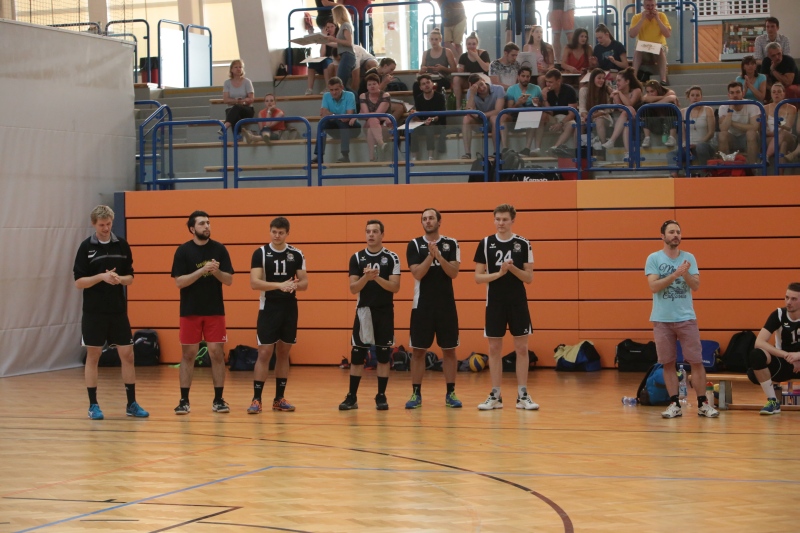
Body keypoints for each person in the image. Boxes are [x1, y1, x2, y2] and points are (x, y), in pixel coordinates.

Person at [74, 205, 148, 420]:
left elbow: (130, 277)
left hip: (117, 311)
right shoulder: (85, 247)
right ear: (93, 224)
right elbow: (79, 282)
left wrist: (118, 279)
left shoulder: (122, 245)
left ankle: (131, 403)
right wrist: (101, 277)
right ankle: (93, 405)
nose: (106, 228)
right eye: (101, 225)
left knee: (128, 355)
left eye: (108, 224)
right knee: (93, 356)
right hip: (93, 312)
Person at [645, 220, 718, 419]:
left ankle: (703, 404)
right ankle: (674, 404)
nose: (676, 235)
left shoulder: (689, 257)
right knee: (668, 363)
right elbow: (653, 286)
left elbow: (696, 286)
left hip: (686, 318)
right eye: (671, 232)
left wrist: (685, 274)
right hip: (662, 319)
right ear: (662, 236)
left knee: (696, 361)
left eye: (678, 232)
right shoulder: (654, 258)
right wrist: (675, 274)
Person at [473, 204, 537, 411]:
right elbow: (478, 277)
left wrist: (512, 269)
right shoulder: (485, 243)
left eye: (505, 219)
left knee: (522, 348)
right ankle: (495, 395)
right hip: (495, 302)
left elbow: (529, 278)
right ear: (494, 220)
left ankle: (523, 395)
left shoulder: (523, 243)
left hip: (518, 302)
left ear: (512, 221)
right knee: (494, 348)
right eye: (498, 219)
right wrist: (499, 273)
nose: (501, 223)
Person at [171, 211, 234, 415]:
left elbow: (228, 280)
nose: (207, 226)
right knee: (188, 354)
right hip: (190, 310)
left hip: (214, 310)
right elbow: (179, 282)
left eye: (208, 222)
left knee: (216, 353)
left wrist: (215, 271)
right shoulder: (183, 251)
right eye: (201, 223)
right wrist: (202, 270)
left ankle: (218, 399)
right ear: (192, 228)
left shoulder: (219, 249)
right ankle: (184, 400)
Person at [247, 217, 308, 414]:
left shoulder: (296, 254)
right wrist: (279, 285)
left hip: (289, 308)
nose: (277, 235)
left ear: (287, 233)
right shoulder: (260, 253)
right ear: (270, 231)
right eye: (274, 232)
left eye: (281, 233)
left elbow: (304, 283)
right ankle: (256, 399)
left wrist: (293, 285)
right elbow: (255, 282)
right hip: (269, 307)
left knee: (283, 353)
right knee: (264, 353)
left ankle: (279, 399)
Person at [340, 220, 401, 411]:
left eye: (375, 231)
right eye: (368, 231)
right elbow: (353, 288)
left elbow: (395, 287)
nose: (371, 234)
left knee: (383, 355)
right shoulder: (357, 258)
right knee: (357, 355)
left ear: (382, 234)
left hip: (384, 312)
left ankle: (381, 396)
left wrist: (377, 277)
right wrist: (366, 277)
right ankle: (352, 396)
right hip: (363, 312)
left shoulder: (392, 257)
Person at [405, 208, 462, 409]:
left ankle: (451, 393)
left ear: (439, 221)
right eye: (424, 219)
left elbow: (453, 272)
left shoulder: (451, 243)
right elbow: (417, 273)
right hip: (422, 306)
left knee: (449, 350)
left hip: (446, 306)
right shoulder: (414, 244)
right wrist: (430, 256)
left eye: (431, 218)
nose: (428, 221)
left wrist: (439, 256)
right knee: (418, 351)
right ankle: (416, 394)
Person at [748, 282, 800, 415]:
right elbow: (759, 342)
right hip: (785, 364)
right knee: (756, 356)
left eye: (794, 299)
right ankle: (772, 401)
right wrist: (787, 355)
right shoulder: (779, 314)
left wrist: (798, 356)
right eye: (787, 297)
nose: (788, 302)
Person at [312, 77, 361, 164]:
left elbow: (348, 116)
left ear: (342, 88)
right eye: (331, 90)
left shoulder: (350, 95)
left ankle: (345, 156)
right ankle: (319, 156)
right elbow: (323, 114)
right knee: (322, 124)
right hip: (336, 129)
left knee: (343, 123)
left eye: (336, 89)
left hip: (352, 128)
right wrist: (338, 116)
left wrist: (331, 115)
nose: (334, 92)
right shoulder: (326, 96)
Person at [461, 74, 506, 159]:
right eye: (478, 88)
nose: (481, 88)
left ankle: (496, 152)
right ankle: (467, 153)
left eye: (481, 84)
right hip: (480, 123)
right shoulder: (471, 92)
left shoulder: (499, 89)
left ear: (483, 80)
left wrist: (480, 115)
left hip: (494, 122)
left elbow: (498, 110)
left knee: (494, 118)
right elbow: (468, 111)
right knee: (466, 119)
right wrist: (472, 94)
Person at [672, 85, 715, 174]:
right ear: (688, 97)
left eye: (697, 95)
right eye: (692, 95)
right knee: (672, 154)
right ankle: (674, 176)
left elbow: (711, 132)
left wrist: (697, 144)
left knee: (700, 147)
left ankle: (705, 173)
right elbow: (683, 133)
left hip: (705, 144)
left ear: (701, 97)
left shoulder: (708, 110)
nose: (695, 97)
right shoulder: (683, 112)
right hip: (689, 145)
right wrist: (685, 145)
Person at [536, 69, 578, 154]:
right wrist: (544, 99)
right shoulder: (547, 92)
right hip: (554, 117)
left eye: (550, 82)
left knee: (572, 124)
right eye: (546, 82)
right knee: (542, 116)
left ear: (558, 81)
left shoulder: (569, 90)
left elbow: (572, 113)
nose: (548, 84)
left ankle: (554, 148)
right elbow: (550, 112)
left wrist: (561, 124)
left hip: (566, 119)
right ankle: (537, 148)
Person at [629, 0, 671, 86]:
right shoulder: (637, 17)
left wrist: (658, 19)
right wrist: (642, 19)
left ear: (655, 5)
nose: (650, 8)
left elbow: (667, 34)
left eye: (652, 5)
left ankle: (663, 79)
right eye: (648, 6)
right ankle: (634, 77)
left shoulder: (662, 16)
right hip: (644, 49)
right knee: (638, 48)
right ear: (644, 6)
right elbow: (632, 35)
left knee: (660, 49)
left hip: (659, 48)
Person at [601, 67, 643, 152]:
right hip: (627, 121)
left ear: (627, 82)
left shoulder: (636, 90)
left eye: (619, 81)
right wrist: (616, 96)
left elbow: (629, 104)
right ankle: (628, 152)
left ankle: (612, 140)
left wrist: (619, 93)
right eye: (616, 81)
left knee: (626, 111)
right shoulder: (617, 93)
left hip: (639, 119)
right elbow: (620, 109)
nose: (617, 83)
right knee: (626, 124)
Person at [718, 81, 760, 164]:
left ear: (743, 93)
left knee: (751, 133)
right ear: (728, 95)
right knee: (722, 135)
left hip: (747, 137)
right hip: (732, 137)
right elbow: (723, 128)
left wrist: (731, 122)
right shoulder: (723, 107)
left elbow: (755, 127)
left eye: (737, 92)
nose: (735, 95)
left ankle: (752, 167)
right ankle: (726, 167)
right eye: (732, 93)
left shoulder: (752, 105)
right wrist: (730, 110)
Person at [502, 66, 542, 152]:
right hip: (515, 116)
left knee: (534, 115)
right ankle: (504, 148)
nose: (525, 79)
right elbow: (509, 110)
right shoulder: (511, 89)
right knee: (503, 117)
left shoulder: (537, 89)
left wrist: (537, 103)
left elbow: (541, 107)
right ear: (518, 77)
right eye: (523, 76)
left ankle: (527, 148)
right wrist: (518, 103)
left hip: (530, 115)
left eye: (527, 76)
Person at [409, 74, 447, 160]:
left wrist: (431, 119)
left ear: (432, 84)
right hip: (424, 123)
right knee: (412, 130)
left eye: (428, 82)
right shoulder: (419, 98)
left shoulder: (440, 97)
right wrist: (413, 115)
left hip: (438, 124)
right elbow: (419, 117)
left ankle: (431, 156)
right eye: (423, 84)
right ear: (420, 87)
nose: (426, 85)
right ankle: (414, 157)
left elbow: (442, 115)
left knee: (429, 128)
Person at [453, 32, 491, 110]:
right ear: (466, 45)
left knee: (481, 82)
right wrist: (460, 70)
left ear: (477, 44)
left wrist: (476, 56)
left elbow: (486, 68)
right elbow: (461, 70)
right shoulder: (463, 56)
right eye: (469, 44)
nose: (471, 46)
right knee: (456, 79)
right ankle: (458, 106)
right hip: (469, 79)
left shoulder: (483, 53)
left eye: (473, 44)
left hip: (482, 78)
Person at [359, 73, 392, 162]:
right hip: (369, 124)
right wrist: (384, 117)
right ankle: (381, 144)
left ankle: (372, 158)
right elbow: (367, 115)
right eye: (369, 84)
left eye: (374, 84)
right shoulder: (363, 96)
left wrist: (382, 118)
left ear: (379, 84)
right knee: (372, 120)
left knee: (371, 126)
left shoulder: (385, 95)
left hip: (385, 126)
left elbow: (377, 114)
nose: (372, 86)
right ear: (367, 87)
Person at [764, 83, 797, 167]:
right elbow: (763, 130)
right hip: (770, 137)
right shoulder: (765, 108)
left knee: (783, 133)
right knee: (783, 144)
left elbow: (788, 127)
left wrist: (779, 126)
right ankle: (779, 174)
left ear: (784, 93)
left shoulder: (792, 108)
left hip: (788, 136)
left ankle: (766, 156)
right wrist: (773, 134)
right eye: (774, 92)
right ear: (771, 94)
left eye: (779, 92)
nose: (776, 94)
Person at [220, 59, 254, 137]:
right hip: (231, 109)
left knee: (237, 107)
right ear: (231, 69)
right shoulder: (227, 83)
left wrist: (242, 102)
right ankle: (238, 136)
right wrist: (237, 101)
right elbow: (225, 100)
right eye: (236, 67)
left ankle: (224, 127)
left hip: (246, 109)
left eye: (240, 67)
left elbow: (251, 99)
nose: (238, 69)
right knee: (235, 114)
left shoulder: (247, 82)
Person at [640, 80, 678, 149]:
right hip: (656, 123)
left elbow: (672, 97)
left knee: (670, 105)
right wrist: (664, 98)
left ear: (658, 89)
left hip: (669, 123)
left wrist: (653, 103)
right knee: (645, 107)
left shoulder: (669, 92)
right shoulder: (647, 97)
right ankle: (647, 138)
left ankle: (672, 137)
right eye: (648, 92)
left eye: (652, 91)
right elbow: (644, 98)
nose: (650, 94)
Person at [582, 68, 613, 151]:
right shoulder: (584, 90)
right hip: (588, 115)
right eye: (599, 78)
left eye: (603, 78)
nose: (602, 80)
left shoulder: (606, 90)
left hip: (603, 116)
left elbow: (610, 109)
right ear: (593, 79)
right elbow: (582, 108)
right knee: (579, 123)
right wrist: (586, 116)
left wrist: (597, 114)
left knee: (599, 120)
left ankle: (603, 147)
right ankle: (579, 151)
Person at [305, 20, 338, 95]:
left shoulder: (338, 37)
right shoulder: (326, 38)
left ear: (336, 27)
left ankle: (328, 87)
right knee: (311, 62)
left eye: (332, 26)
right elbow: (322, 54)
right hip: (326, 59)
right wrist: (323, 39)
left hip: (333, 60)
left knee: (326, 61)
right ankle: (309, 89)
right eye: (327, 27)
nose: (330, 29)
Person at [328, 5, 356, 89]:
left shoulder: (345, 25)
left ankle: (355, 97)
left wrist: (334, 39)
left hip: (347, 56)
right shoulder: (344, 26)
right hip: (345, 55)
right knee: (341, 83)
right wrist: (325, 42)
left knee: (340, 82)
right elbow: (340, 44)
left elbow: (349, 42)